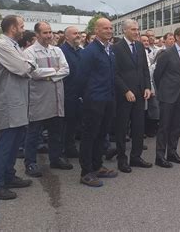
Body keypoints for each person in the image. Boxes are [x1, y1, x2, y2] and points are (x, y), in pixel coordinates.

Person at [0, 15, 36, 200]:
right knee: (6, 143)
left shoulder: (13, 45)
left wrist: (29, 64)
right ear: (12, 28)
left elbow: (27, 65)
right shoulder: (1, 46)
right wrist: (29, 64)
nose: (24, 29)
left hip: (18, 101)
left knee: (15, 143)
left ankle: (8, 176)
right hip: (7, 103)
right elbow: (24, 68)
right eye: (21, 26)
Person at [23, 22, 72, 178]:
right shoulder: (30, 52)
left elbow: (66, 69)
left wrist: (48, 75)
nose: (49, 35)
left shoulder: (57, 50)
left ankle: (55, 158)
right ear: (37, 35)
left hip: (56, 98)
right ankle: (30, 163)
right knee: (33, 133)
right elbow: (34, 73)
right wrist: (54, 72)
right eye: (45, 33)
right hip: (39, 99)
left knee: (56, 132)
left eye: (50, 32)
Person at [79, 18, 118, 187]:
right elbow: (81, 76)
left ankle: (97, 165)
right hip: (94, 100)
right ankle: (86, 172)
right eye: (105, 28)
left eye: (111, 28)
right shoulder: (90, 51)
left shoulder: (108, 49)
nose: (109, 31)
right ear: (96, 30)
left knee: (101, 135)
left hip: (108, 98)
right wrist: (87, 96)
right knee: (89, 136)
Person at [113, 20, 152, 173]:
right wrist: (125, 90)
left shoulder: (140, 46)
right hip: (125, 95)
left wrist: (147, 87)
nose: (137, 32)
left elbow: (144, 69)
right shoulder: (116, 48)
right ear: (124, 31)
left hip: (140, 93)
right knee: (122, 128)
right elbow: (114, 73)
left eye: (138, 29)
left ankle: (136, 157)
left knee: (138, 126)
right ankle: (122, 159)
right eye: (133, 29)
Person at [153, 27, 180, 168]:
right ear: (176, 37)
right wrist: (162, 91)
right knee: (164, 126)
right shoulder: (166, 53)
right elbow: (157, 75)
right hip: (167, 96)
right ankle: (159, 156)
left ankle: (172, 152)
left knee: (176, 126)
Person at [60, 26, 83, 158]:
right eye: (75, 33)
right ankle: (64, 148)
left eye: (79, 33)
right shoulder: (61, 51)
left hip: (80, 92)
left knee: (75, 122)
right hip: (67, 92)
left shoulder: (80, 51)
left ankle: (71, 146)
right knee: (66, 123)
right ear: (67, 36)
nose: (78, 35)